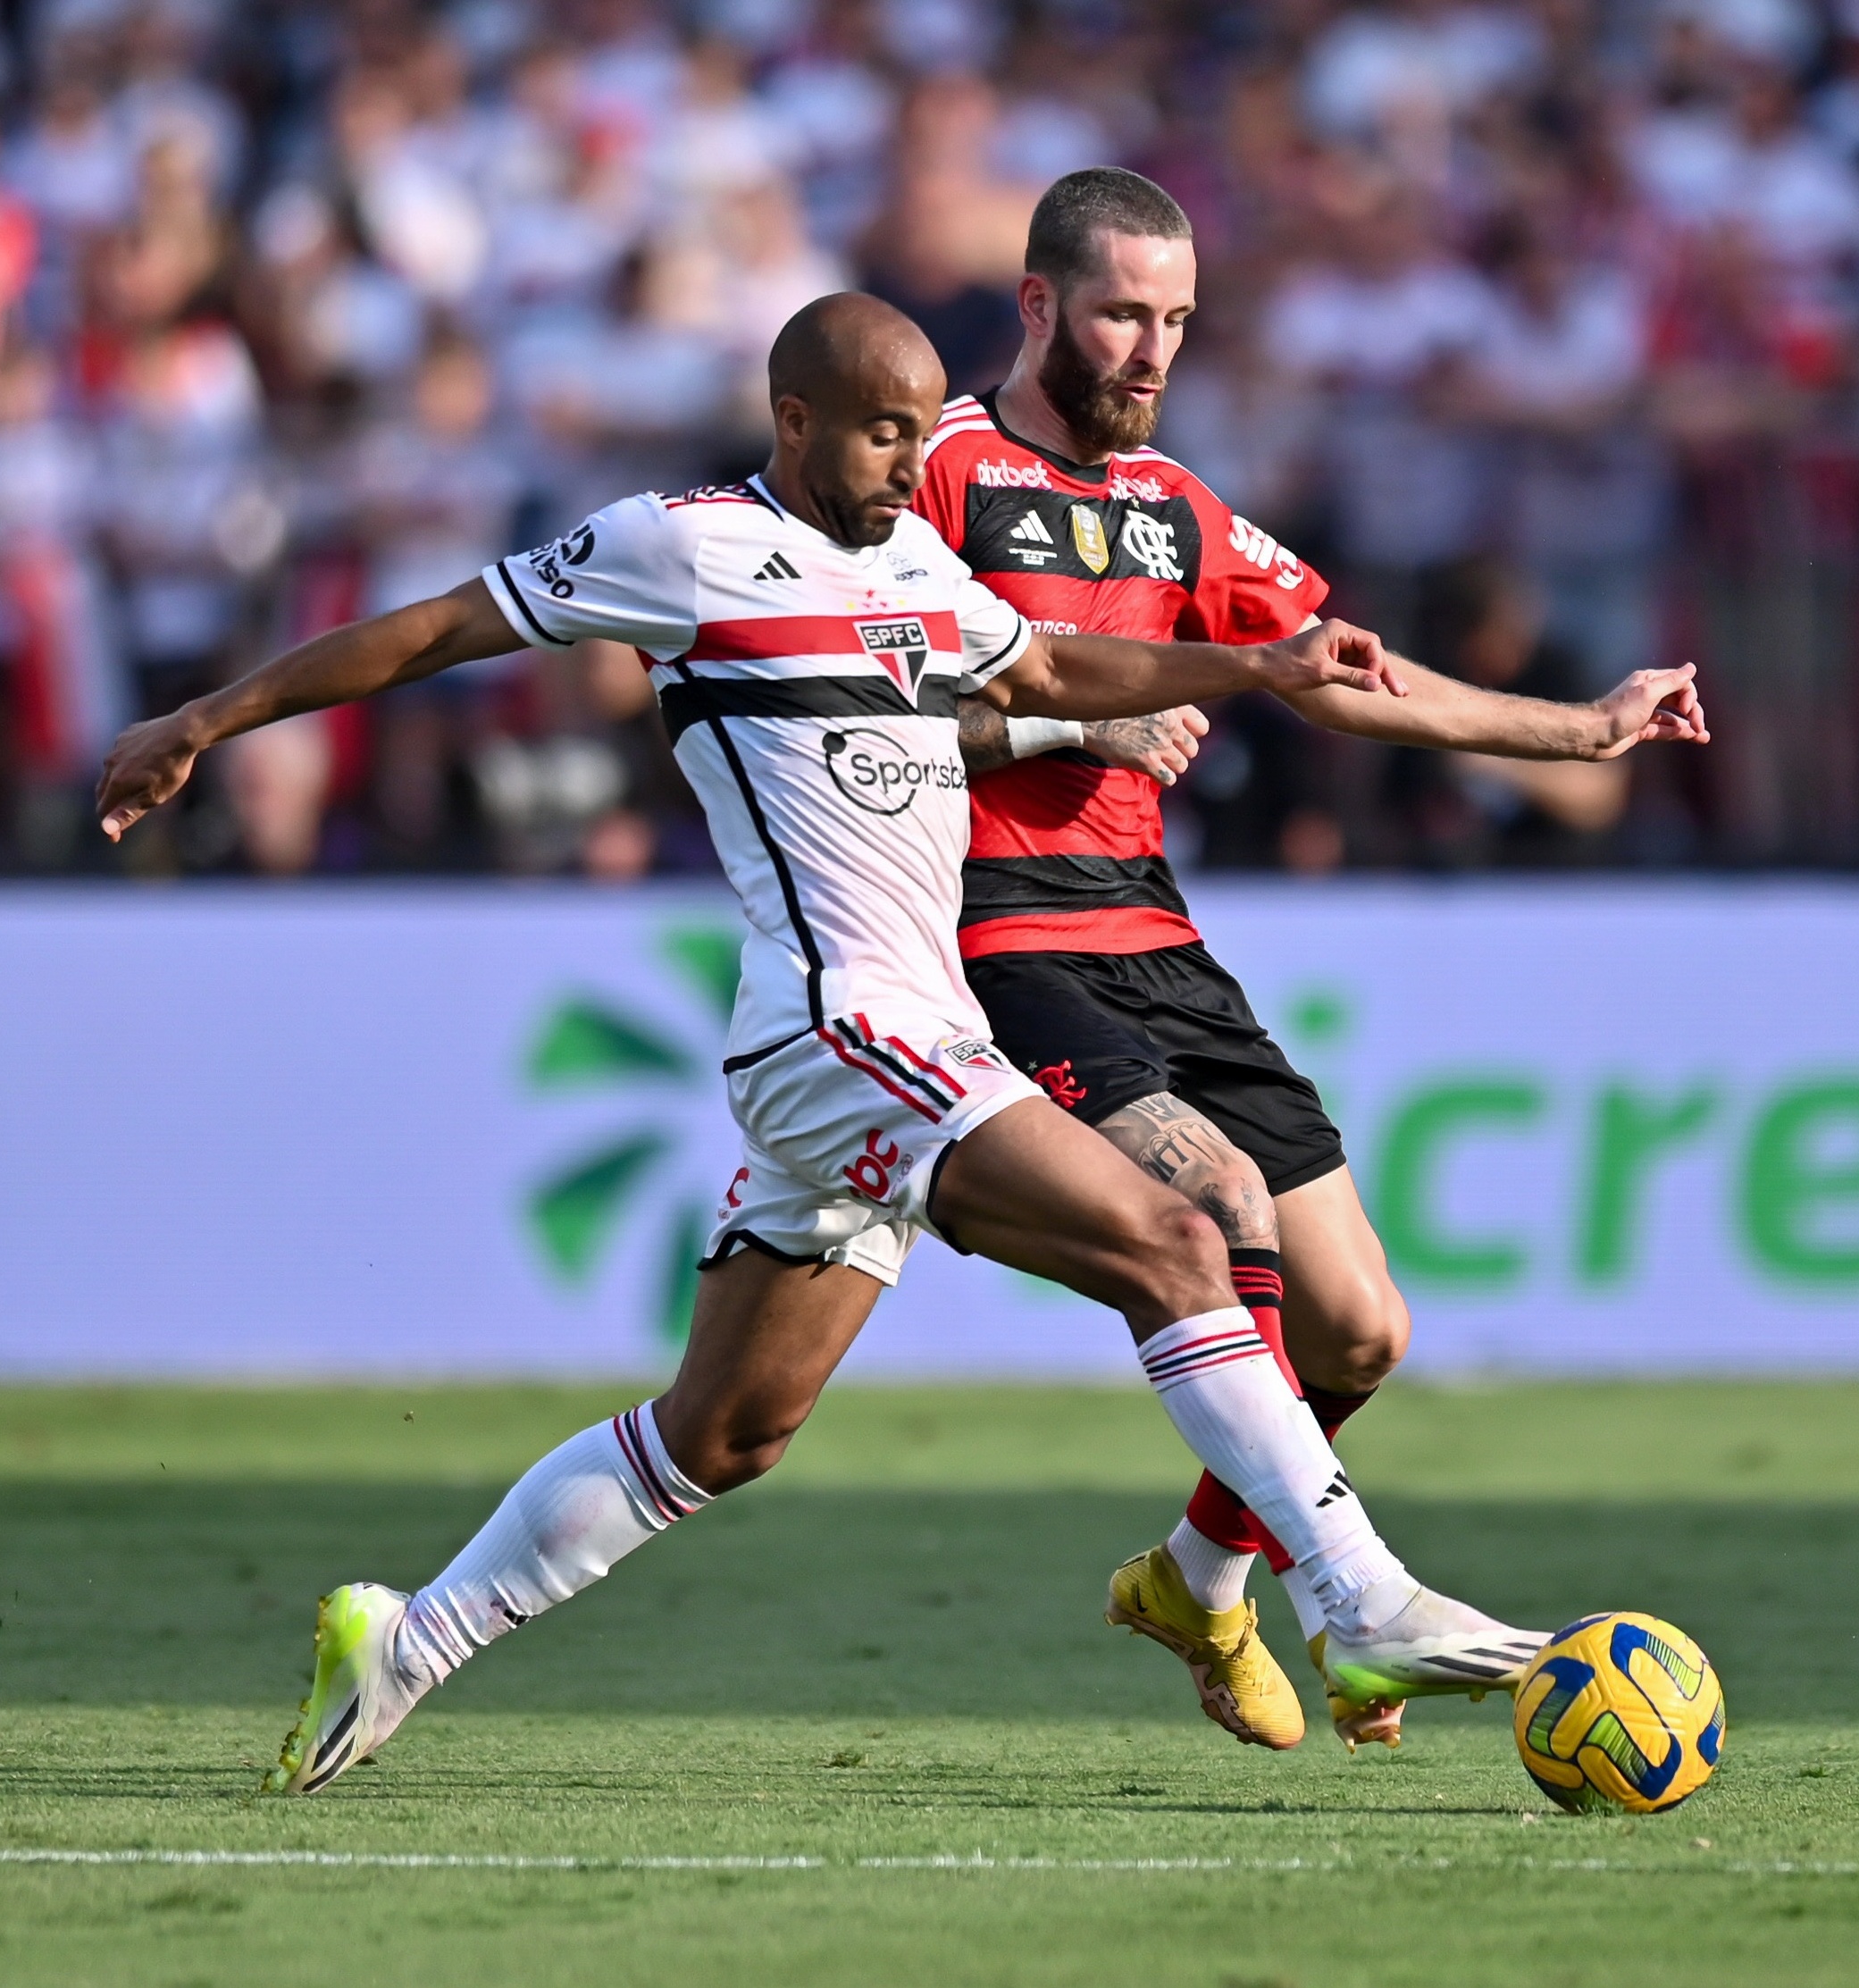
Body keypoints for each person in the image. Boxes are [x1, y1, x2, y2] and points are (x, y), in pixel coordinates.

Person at [93, 293, 1560, 1797]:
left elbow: (1048, 673)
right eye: (877, 429)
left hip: (888, 1039)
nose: (904, 457)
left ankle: (410, 1638)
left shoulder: (916, 561)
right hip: (843, 1028)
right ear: (792, 420)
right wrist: (211, 714)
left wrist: (1255, 668)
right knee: (1176, 1242)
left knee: (725, 1431)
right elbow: (437, 628)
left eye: (921, 429)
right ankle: (1357, 1595)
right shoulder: (680, 544)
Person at [915, 169, 1709, 1750]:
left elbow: (1335, 674)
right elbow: (867, 708)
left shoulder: (1175, 504)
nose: (1150, 349)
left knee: (1362, 1329)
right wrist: (1084, 717)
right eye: (1124, 313)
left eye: (1178, 321)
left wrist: (1575, 727)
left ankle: (1197, 1573)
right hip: (997, 935)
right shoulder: (935, 474)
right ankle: (1360, 1608)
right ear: (1037, 305)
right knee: (1208, 1196)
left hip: (1157, 936)